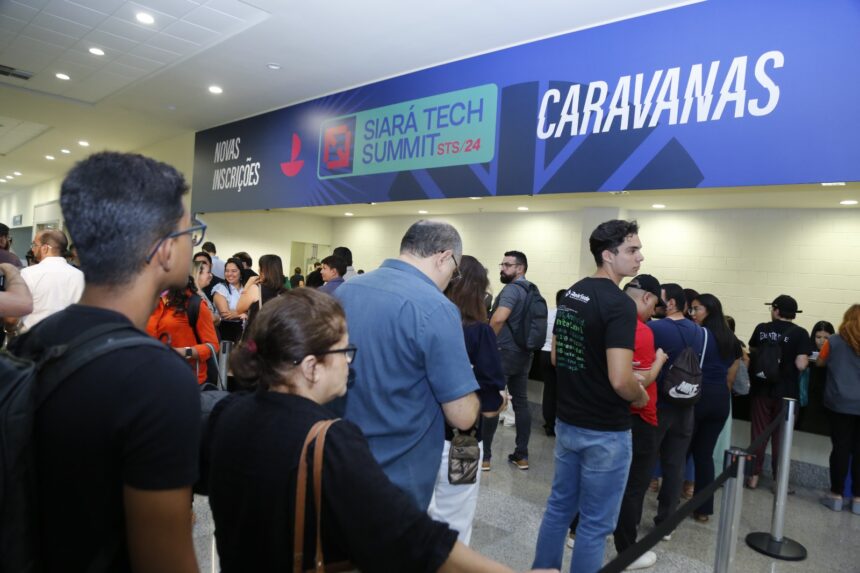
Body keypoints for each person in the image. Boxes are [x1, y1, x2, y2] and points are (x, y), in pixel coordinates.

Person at [206, 289, 556, 573]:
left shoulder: (227, 413)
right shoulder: (329, 441)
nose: (350, 362)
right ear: (311, 367)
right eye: (344, 351)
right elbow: (413, 539)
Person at [9, 151, 202, 572]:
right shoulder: (158, 379)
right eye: (191, 232)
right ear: (166, 250)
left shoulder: (31, 344)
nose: (193, 244)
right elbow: (164, 561)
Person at [333, 219, 479, 510]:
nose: (452, 279)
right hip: (398, 473)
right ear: (444, 257)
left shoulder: (347, 291)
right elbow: (462, 416)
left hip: (339, 455)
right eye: (455, 271)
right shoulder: (436, 307)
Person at [533, 219, 649, 573]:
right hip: (605, 431)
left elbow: (557, 357)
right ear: (608, 255)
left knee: (559, 508)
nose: (640, 257)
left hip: (569, 422)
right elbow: (620, 379)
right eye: (632, 250)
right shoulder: (620, 304)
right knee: (596, 524)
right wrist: (639, 395)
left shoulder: (573, 293)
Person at [429, 255, 506, 544]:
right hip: (464, 442)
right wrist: (500, 400)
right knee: (456, 518)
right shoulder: (479, 332)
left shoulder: (428, 323)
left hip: (421, 436)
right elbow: (490, 401)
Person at [647, 282, 705, 535]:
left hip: (658, 404)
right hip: (687, 404)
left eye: (658, 299)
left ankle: (628, 519)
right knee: (675, 464)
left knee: (645, 460)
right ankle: (666, 524)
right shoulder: (701, 333)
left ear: (670, 303)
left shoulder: (655, 328)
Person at [746, 294, 812, 489]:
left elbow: (752, 349)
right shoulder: (800, 333)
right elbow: (801, 364)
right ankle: (778, 480)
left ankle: (753, 476)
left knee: (758, 434)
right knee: (781, 437)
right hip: (787, 393)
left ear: (776, 310)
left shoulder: (762, 328)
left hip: (761, 389)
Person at [686, 293, 741, 522]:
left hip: (699, 396)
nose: (692, 313)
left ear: (709, 310)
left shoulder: (700, 334)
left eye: (696, 309)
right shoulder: (731, 339)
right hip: (720, 400)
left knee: (679, 451)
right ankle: (703, 510)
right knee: (704, 455)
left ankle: (668, 503)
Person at [485, 250, 536, 470]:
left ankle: (485, 457)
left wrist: (486, 343)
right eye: (502, 264)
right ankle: (521, 455)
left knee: (492, 400)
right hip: (524, 354)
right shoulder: (532, 290)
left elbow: (499, 318)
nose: (502, 268)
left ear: (520, 268)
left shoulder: (512, 290)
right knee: (521, 403)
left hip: (503, 352)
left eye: (507, 265)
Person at [816, 304, 860, 514]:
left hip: (839, 403)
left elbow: (820, 363)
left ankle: (836, 495)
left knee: (840, 448)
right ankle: (858, 499)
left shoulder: (833, 341)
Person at [146, 276, 220, 385]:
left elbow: (213, 346)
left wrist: (184, 352)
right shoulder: (151, 301)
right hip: (152, 375)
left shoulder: (195, 304)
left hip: (185, 378)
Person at [15, 229, 84, 332]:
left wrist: (9, 330)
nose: (32, 249)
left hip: (33, 337)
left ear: (45, 248)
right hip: (68, 337)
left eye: (34, 245)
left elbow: (14, 314)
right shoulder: (80, 276)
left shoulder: (28, 274)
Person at [235, 253, 287, 332]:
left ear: (263, 271)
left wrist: (248, 285)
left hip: (257, 335)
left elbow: (239, 309)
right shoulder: (287, 292)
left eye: (260, 267)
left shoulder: (256, 289)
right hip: (277, 335)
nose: (258, 270)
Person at [801, 320, 836, 434]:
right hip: (808, 394)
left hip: (827, 396)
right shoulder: (806, 351)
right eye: (818, 337)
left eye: (826, 338)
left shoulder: (836, 353)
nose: (822, 341)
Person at [540, 289, 567, 437]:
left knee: (549, 390)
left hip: (544, 353)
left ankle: (548, 423)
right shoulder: (569, 316)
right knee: (561, 391)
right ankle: (558, 423)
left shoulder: (549, 313)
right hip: (561, 354)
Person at [212, 257, 246, 342]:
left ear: (241, 272)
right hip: (225, 331)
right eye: (227, 271)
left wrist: (237, 314)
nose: (229, 274)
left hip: (244, 330)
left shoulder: (246, 288)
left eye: (234, 271)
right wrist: (245, 314)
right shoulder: (220, 288)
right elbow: (225, 314)